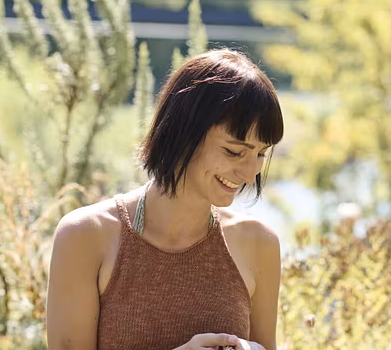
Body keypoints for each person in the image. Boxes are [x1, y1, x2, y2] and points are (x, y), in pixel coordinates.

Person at [46, 49, 284, 350]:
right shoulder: (84, 236)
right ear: (183, 133)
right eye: (234, 152)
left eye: (261, 153)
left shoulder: (259, 244)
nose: (250, 175)